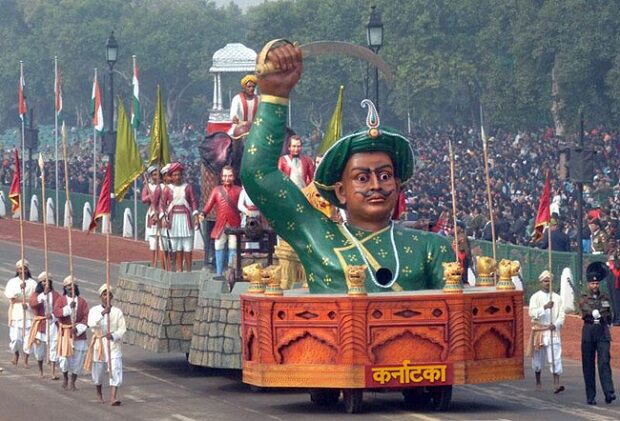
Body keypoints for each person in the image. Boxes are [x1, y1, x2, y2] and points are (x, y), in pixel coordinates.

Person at [240, 41, 454, 293]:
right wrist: (274, 96)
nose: (376, 185)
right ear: (341, 191)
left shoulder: (431, 247)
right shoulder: (317, 235)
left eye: (385, 175)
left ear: (397, 186)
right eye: (362, 178)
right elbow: (258, 174)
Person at [578, 262, 616, 405]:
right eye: (592, 283)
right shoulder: (584, 297)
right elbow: (584, 309)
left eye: (597, 283)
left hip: (602, 331)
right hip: (589, 331)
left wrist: (602, 315)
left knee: (604, 361)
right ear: (589, 284)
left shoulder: (604, 297)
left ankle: (609, 391)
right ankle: (591, 395)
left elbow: (609, 313)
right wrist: (593, 312)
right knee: (588, 364)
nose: (595, 285)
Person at [86, 284, 126, 406]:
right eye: (104, 295)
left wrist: (113, 336)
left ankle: (113, 397)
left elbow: (122, 329)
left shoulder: (117, 312)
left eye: (108, 295)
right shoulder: (94, 310)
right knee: (98, 372)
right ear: (100, 296)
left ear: (112, 297)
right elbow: (91, 324)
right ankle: (99, 393)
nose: (106, 297)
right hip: (99, 344)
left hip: (113, 344)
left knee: (115, 369)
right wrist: (103, 313)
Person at [202, 165, 242, 277]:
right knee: (218, 246)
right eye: (224, 176)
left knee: (233, 247)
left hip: (234, 225)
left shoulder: (239, 190)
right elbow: (209, 205)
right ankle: (219, 272)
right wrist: (203, 213)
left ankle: (231, 272)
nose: (227, 178)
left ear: (234, 177)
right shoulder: (217, 190)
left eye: (229, 176)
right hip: (220, 225)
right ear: (221, 177)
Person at [528, 270, 565, 393]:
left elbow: (561, 315)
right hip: (539, 331)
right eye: (545, 281)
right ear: (541, 282)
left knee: (555, 357)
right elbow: (532, 313)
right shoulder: (535, 297)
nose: (547, 283)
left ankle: (556, 384)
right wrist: (545, 307)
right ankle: (538, 382)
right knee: (537, 359)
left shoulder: (557, 298)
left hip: (552, 331)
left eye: (549, 281)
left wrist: (556, 324)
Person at [161, 162, 199, 272]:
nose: (177, 177)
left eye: (179, 174)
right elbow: (162, 204)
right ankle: (177, 269)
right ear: (171, 176)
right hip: (173, 220)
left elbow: (193, 201)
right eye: (175, 175)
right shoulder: (167, 189)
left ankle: (188, 270)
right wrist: (163, 218)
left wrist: (196, 216)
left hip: (185, 219)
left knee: (187, 245)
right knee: (175, 246)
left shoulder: (188, 187)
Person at [53, 275, 89, 391]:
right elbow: (57, 312)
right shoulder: (61, 300)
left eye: (73, 285)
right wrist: (69, 308)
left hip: (78, 335)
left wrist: (77, 329)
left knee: (78, 361)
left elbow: (86, 318)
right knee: (64, 360)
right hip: (65, 334)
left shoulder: (82, 302)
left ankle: (73, 382)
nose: (71, 287)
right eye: (68, 286)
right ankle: (65, 377)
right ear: (65, 287)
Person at [28, 271, 61, 379]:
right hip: (40, 325)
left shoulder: (56, 295)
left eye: (47, 281)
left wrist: (52, 316)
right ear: (40, 283)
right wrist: (44, 294)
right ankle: (41, 370)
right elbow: (33, 304)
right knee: (39, 350)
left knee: (53, 348)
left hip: (52, 325)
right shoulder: (36, 294)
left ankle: (52, 372)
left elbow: (59, 309)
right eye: (43, 281)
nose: (45, 283)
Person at [5, 259, 37, 367]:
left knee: (28, 338)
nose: (22, 271)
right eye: (20, 269)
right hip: (16, 311)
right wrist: (20, 288)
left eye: (25, 268)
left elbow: (36, 298)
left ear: (28, 270)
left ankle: (26, 359)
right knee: (15, 338)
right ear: (17, 270)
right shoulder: (12, 282)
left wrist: (28, 305)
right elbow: (9, 295)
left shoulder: (33, 283)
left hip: (28, 312)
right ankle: (16, 354)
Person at [141, 165, 164, 269]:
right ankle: (153, 264)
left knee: (163, 243)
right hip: (152, 213)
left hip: (162, 213)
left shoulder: (163, 186)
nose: (156, 176)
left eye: (158, 174)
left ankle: (163, 265)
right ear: (151, 176)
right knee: (153, 243)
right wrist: (151, 195)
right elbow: (143, 199)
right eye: (154, 174)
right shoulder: (148, 186)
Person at [608, 253, 620, 325]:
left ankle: (618, 318)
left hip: (617, 274)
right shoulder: (613, 251)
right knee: (612, 298)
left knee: (617, 299)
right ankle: (615, 317)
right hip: (612, 273)